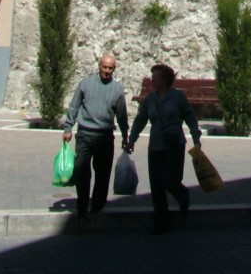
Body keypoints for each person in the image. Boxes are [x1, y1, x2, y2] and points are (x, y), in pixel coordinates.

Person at [125, 63, 202, 233]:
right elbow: (140, 120)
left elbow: (189, 115)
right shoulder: (150, 100)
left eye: (156, 77)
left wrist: (196, 137)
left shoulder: (178, 97)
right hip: (155, 146)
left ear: (165, 79)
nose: (153, 80)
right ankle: (161, 221)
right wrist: (132, 139)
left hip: (174, 144)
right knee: (156, 186)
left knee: (170, 180)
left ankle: (182, 195)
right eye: (152, 77)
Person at [62, 52, 129, 216]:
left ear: (114, 70)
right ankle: (82, 205)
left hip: (105, 136)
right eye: (104, 67)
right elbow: (74, 105)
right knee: (81, 171)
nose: (107, 71)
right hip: (85, 134)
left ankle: (97, 206)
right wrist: (68, 128)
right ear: (99, 67)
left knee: (103, 173)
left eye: (110, 68)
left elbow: (121, 115)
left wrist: (125, 136)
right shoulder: (86, 83)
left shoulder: (117, 89)